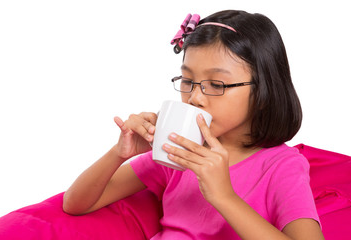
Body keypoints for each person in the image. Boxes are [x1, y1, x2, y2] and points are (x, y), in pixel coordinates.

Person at [63, 10, 325, 239]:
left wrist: (224, 197)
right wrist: (118, 154)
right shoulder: (178, 150)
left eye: (216, 84)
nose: (195, 97)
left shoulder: (281, 166)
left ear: (263, 91)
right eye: (188, 81)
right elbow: (76, 204)